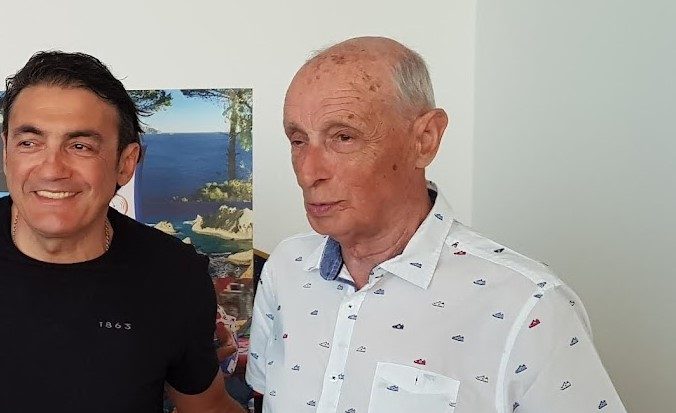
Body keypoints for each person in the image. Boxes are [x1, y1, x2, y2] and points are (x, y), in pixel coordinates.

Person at [246, 36, 626, 412]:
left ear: (425, 139)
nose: (308, 173)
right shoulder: (285, 269)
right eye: (298, 140)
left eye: (343, 137)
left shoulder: (529, 305)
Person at [0, 51, 245, 413]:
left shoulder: (174, 275)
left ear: (126, 163)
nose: (52, 169)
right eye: (29, 143)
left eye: (80, 146)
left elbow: (209, 407)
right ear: (6, 154)